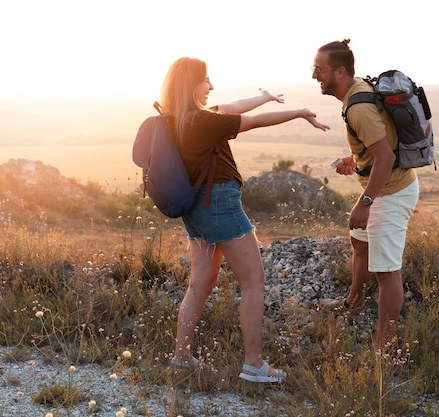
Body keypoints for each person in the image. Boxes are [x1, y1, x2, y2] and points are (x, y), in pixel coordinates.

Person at [162, 57, 329, 383]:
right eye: (206, 80)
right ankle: (254, 364)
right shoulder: (203, 121)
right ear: (191, 83)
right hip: (220, 205)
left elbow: (235, 106)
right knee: (254, 282)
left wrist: (267, 96)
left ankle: (181, 357)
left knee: (200, 283)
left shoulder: (181, 119)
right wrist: (298, 112)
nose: (211, 86)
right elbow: (252, 121)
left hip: (197, 210)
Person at [312, 40, 419, 350]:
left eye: (319, 70)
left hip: (391, 193)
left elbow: (385, 158)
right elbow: (378, 145)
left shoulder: (357, 106)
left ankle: (383, 348)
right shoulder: (356, 93)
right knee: (360, 243)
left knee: (387, 272)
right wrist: (356, 160)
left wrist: (365, 202)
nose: (315, 75)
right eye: (313, 69)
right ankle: (354, 304)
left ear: (340, 71)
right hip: (384, 188)